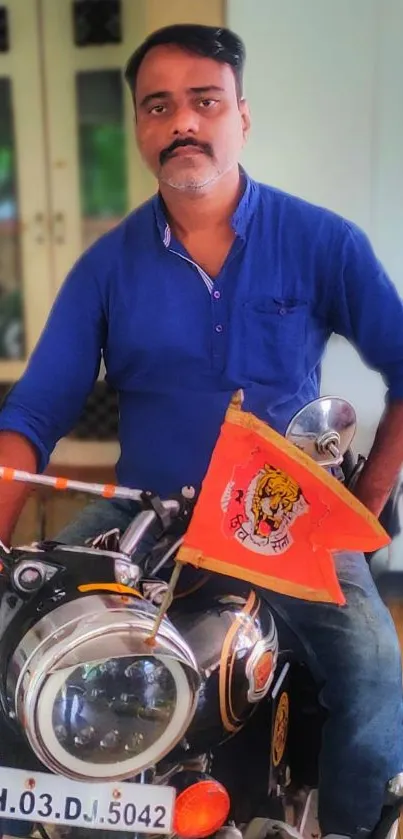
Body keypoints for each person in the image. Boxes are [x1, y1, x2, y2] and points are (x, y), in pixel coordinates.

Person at [0, 23, 402, 839]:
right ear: (142, 129)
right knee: (15, 646)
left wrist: (364, 503)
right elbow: (32, 415)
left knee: (371, 673)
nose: (181, 121)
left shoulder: (321, 241)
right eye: (158, 106)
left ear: (240, 117)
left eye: (203, 101)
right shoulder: (106, 266)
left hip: (280, 511)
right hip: (141, 509)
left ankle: (354, 825)